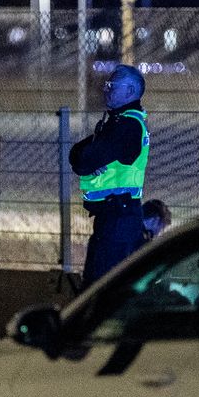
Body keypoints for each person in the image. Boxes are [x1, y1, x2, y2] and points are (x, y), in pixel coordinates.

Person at [69, 64, 150, 287]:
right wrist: (85, 157)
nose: (105, 89)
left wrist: (87, 159)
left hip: (118, 219)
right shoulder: (118, 122)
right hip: (115, 215)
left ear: (130, 91)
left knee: (101, 286)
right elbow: (78, 153)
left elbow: (85, 159)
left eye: (111, 85)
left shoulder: (127, 125)